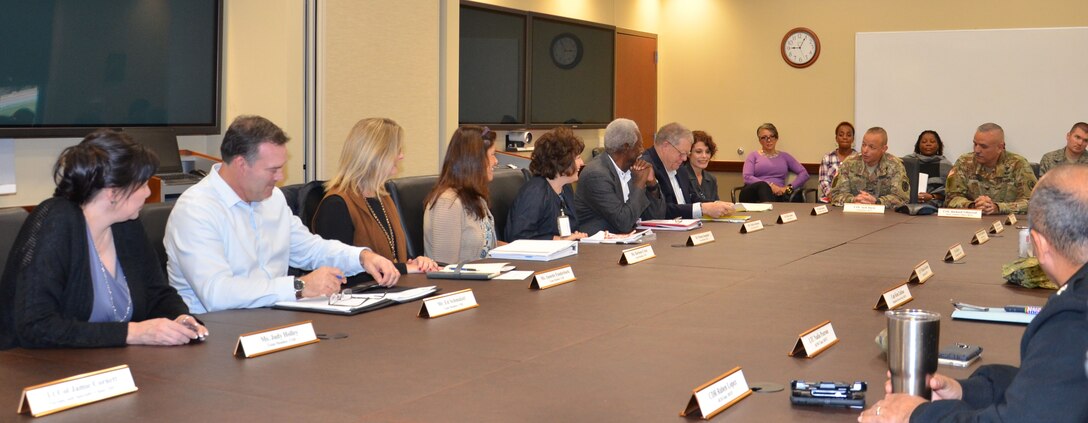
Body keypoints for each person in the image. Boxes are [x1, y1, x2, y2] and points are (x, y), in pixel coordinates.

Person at [859, 164, 1088, 422]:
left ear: (1038, 244)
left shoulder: (1074, 317)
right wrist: (966, 392)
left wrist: (917, 414)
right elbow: (1059, 384)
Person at [166, 115, 399, 313]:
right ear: (241, 164)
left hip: (274, 323)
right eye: (273, 169)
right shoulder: (196, 210)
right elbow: (216, 293)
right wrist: (298, 286)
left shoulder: (272, 199)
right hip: (218, 331)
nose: (281, 177)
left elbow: (310, 249)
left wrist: (363, 258)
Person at [0, 130, 207, 349]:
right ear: (113, 193)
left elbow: (157, 293)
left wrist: (180, 317)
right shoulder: (56, 222)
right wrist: (132, 333)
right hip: (37, 368)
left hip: (111, 364)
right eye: (143, 184)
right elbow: (35, 326)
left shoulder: (127, 224)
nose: (148, 193)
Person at [310, 118, 440, 283]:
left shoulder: (383, 197)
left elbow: (397, 257)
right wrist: (405, 268)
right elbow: (340, 274)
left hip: (394, 293)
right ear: (376, 154)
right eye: (396, 150)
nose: (401, 156)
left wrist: (417, 262)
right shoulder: (336, 204)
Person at [574, 118, 665, 234]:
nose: (642, 151)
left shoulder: (633, 170)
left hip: (627, 240)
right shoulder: (597, 175)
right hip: (599, 247)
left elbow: (657, 217)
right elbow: (623, 223)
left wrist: (652, 185)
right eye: (639, 146)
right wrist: (639, 183)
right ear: (626, 147)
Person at [424, 126, 499, 264]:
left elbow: (487, 247)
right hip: (464, 284)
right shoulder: (447, 203)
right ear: (475, 160)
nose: (496, 161)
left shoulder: (474, 196)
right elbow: (445, 268)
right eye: (492, 155)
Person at [505, 126, 589, 241]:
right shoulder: (535, 193)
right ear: (562, 162)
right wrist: (560, 240)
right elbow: (519, 237)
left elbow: (571, 229)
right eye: (578, 158)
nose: (582, 163)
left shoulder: (566, 188)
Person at [642, 122, 734, 217]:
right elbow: (661, 210)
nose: (685, 159)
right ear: (666, 146)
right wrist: (702, 209)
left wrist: (716, 205)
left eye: (686, 154)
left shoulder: (680, 169)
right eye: (681, 153)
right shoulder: (646, 166)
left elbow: (692, 198)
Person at [945, 122, 1037, 215]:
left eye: (983, 146)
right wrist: (973, 206)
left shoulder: (1018, 164)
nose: (977, 150)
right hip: (971, 223)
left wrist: (998, 208)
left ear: (1000, 147)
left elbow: (1033, 203)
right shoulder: (964, 162)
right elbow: (951, 199)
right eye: (975, 144)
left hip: (1007, 224)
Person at [829, 127, 910, 207]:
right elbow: (836, 195)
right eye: (863, 145)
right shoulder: (849, 163)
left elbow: (902, 199)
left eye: (872, 147)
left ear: (884, 149)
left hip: (885, 218)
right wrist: (853, 200)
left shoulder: (895, 165)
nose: (865, 150)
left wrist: (877, 202)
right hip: (854, 215)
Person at [740, 123, 810, 203]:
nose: (768, 140)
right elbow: (747, 177)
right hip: (752, 193)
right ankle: (770, 214)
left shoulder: (785, 156)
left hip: (777, 194)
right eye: (764, 137)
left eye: (771, 136)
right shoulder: (753, 155)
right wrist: (770, 185)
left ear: (776, 138)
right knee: (763, 186)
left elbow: (804, 174)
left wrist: (788, 188)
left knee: (794, 196)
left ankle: (772, 212)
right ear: (760, 141)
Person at [902, 130, 953, 207]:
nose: (928, 144)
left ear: (938, 145)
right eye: (924, 142)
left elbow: (951, 191)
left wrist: (932, 196)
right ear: (918, 145)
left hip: (936, 207)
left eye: (932, 142)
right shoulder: (908, 162)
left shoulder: (946, 165)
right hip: (908, 205)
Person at [818, 122, 857, 203]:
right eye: (841, 135)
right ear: (836, 138)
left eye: (849, 135)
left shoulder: (859, 158)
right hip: (829, 200)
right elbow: (823, 181)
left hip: (851, 201)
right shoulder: (827, 158)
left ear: (853, 139)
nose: (845, 137)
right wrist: (830, 194)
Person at [681, 130, 720, 202]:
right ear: (689, 153)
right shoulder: (680, 176)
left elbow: (716, 205)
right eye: (699, 152)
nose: (704, 156)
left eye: (707, 152)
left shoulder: (711, 179)